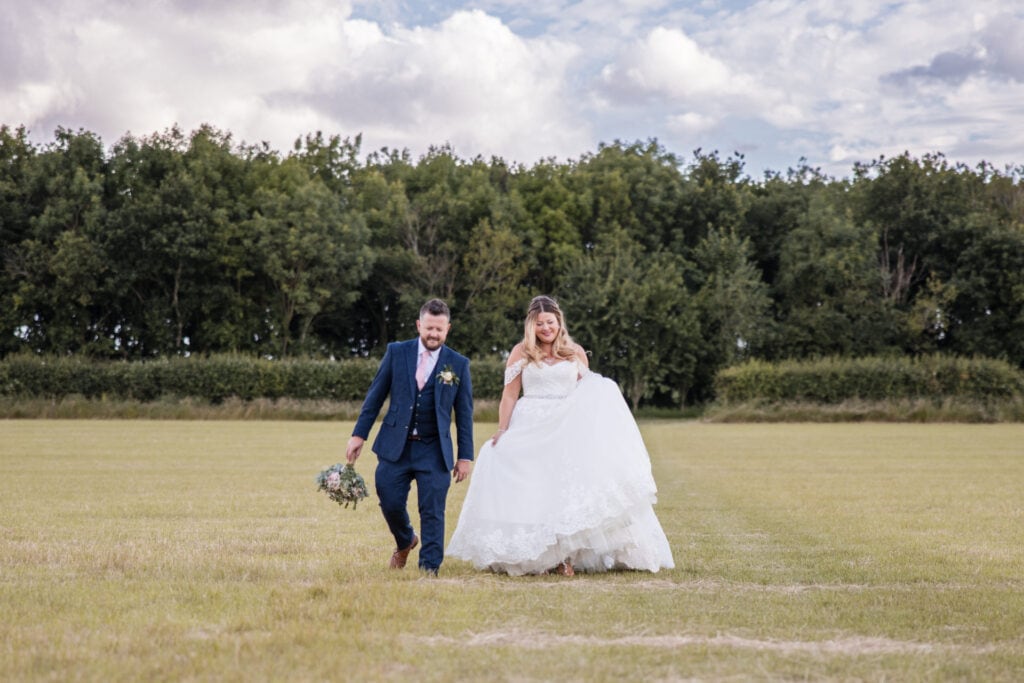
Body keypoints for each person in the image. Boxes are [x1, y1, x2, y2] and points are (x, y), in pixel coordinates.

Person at [447, 295, 674, 576]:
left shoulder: (574, 351)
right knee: (535, 488)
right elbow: (509, 395)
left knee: (564, 489)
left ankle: (566, 557)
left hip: (566, 428)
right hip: (531, 425)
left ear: (559, 322)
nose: (546, 328)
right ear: (532, 325)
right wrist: (503, 430)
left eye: (550, 322)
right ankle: (540, 554)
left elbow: (588, 393)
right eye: (540, 323)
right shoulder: (521, 352)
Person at [346, 298, 474, 575]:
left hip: (434, 449)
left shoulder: (458, 364)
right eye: (429, 328)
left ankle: (429, 568)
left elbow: (464, 415)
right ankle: (405, 540)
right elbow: (375, 396)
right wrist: (359, 435)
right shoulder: (396, 352)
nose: (433, 334)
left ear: (447, 329)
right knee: (389, 500)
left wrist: (465, 456)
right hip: (395, 447)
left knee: (432, 511)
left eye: (439, 330)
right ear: (419, 325)